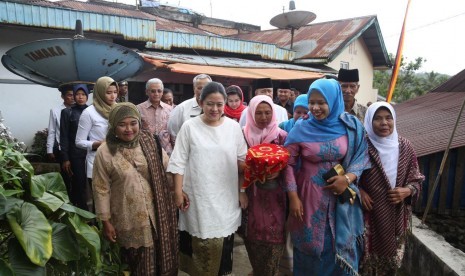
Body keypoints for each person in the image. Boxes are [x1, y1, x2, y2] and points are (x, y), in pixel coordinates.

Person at [284, 78, 370, 275]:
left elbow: (361, 156)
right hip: (308, 198)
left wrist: (347, 179)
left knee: (336, 247)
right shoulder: (301, 127)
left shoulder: (350, 126)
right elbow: (287, 163)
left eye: (321, 102)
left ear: (333, 100)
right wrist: (293, 197)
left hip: (341, 199)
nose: (315, 108)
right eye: (311, 102)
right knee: (311, 248)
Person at [167, 82, 247, 276]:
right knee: (200, 243)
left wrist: (242, 191)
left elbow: (242, 162)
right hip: (198, 197)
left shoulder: (233, 127)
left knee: (224, 243)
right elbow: (178, 161)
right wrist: (177, 192)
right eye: (210, 104)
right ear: (201, 102)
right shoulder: (189, 127)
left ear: (225, 104)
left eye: (220, 104)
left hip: (226, 197)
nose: (215, 109)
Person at [92, 103, 178, 275]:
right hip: (126, 217)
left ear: (139, 123)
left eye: (133, 123)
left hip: (156, 214)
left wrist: (179, 190)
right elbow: (101, 187)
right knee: (132, 262)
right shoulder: (104, 151)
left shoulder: (149, 142)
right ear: (113, 126)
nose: (129, 129)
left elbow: (167, 169)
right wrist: (106, 221)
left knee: (156, 258)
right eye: (122, 124)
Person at [359, 102, 424, 275]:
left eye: (388, 118)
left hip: (396, 215)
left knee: (390, 266)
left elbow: (417, 179)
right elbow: (349, 174)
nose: (384, 123)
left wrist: (407, 190)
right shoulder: (362, 146)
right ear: (369, 121)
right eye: (377, 118)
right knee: (365, 264)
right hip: (367, 215)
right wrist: (359, 191)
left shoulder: (405, 146)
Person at [242, 95, 288, 276]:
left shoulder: (282, 136)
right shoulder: (242, 135)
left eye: (268, 112)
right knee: (251, 237)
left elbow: (291, 165)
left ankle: (270, 271)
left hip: (276, 196)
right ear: (251, 114)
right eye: (258, 113)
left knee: (275, 237)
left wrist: (280, 171)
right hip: (251, 194)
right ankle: (257, 270)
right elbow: (236, 162)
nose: (263, 117)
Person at [75, 76, 118, 201]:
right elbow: (79, 142)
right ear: (99, 92)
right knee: (100, 202)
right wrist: (98, 144)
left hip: (117, 162)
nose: (113, 96)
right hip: (96, 162)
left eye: (115, 92)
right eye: (108, 92)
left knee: (117, 202)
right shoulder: (89, 112)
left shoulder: (119, 110)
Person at [60, 84, 89, 210]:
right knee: (79, 183)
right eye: (77, 94)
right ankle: (83, 214)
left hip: (92, 153)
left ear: (87, 96)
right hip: (76, 155)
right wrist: (65, 158)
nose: (80, 97)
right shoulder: (67, 112)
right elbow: (64, 136)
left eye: (83, 94)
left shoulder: (92, 111)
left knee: (94, 184)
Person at [167, 74, 212, 139]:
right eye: (199, 88)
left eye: (206, 88)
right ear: (194, 89)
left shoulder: (217, 109)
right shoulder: (181, 108)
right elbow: (173, 132)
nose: (203, 91)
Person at [137, 78, 174, 155]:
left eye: (159, 91)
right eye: (153, 91)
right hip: (146, 151)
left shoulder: (170, 109)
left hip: (167, 152)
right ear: (147, 92)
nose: (156, 94)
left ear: (162, 92)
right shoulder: (138, 109)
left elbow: (173, 132)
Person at [46, 86, 74, 162]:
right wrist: (49, 150)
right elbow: (52, 131)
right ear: (62, 96)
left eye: (74, 94)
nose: (73, 97)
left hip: (77, 149)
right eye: (70, 95)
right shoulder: (55, 111)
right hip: (61, 148)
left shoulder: (81, 111)